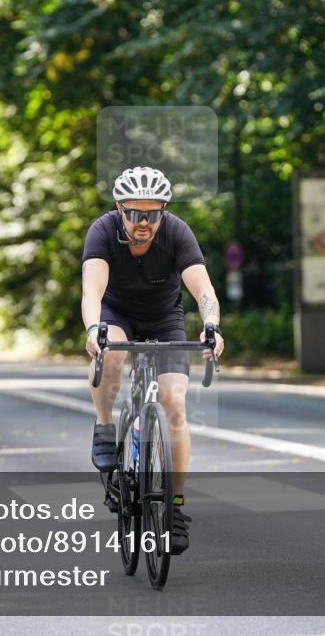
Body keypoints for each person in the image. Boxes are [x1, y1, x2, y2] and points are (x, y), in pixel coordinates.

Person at [80, 166, 225, 555]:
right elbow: (92, 293)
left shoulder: (177, 232)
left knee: (174, 404)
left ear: (163, 211)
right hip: (117, 315)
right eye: (135, 213)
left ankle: (175, 505)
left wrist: (211, 325)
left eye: (153, 214)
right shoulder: (102, 231)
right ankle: (106, 425)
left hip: (164, 320)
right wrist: (95, 330)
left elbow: (204, 291)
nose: (144, 223)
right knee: (110, 354)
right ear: (119, 209)